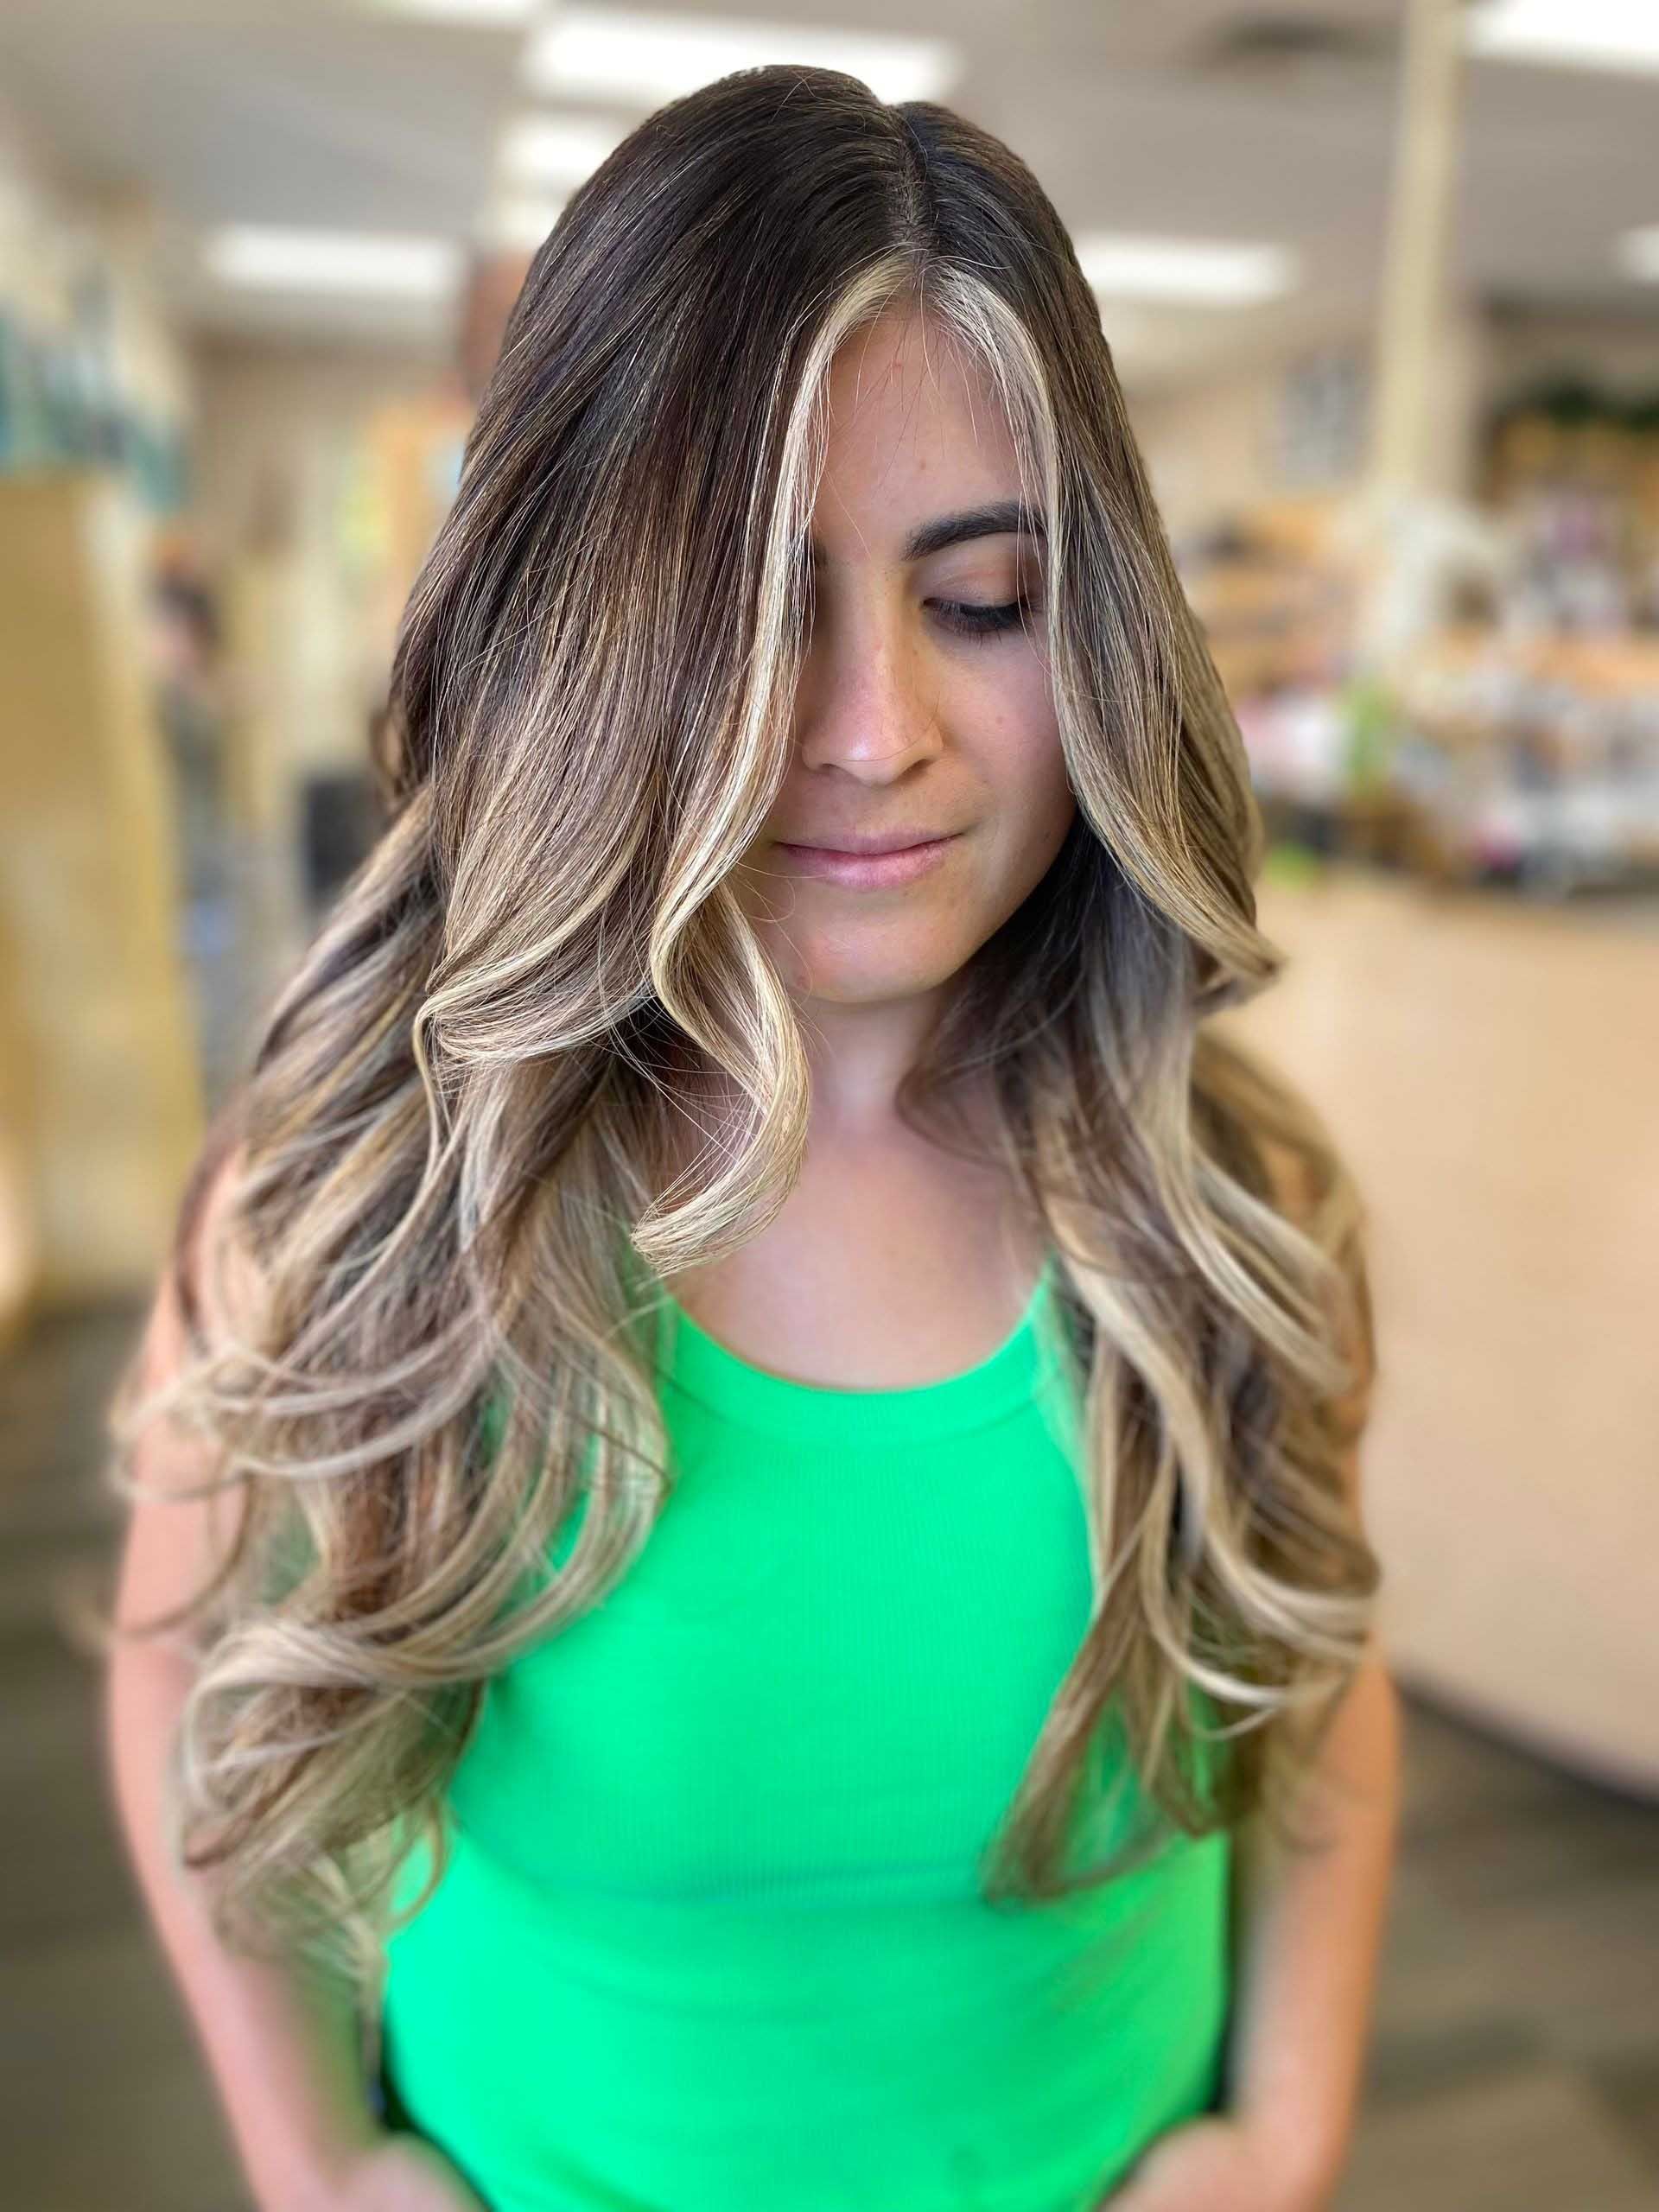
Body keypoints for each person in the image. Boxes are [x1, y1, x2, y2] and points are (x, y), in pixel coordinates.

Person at [99, 64, 1400, 2212]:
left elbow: (1325, 1699)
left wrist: (1280, 2134)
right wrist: (321, 2166)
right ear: (576, 624)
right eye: (755, 601)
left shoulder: (1224, 1201)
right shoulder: (347, 1202)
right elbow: (179, 1679)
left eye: (979, 600)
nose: (875, 729)